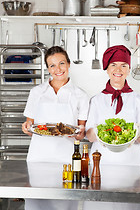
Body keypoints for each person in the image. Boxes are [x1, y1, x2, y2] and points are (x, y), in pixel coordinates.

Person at [84, 45, 140, 210]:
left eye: (124, 65)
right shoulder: (96, 100)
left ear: (129, 70)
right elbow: (89, 136)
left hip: (131, 166)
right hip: (101, 166)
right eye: (113, 65)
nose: (118, 69)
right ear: (107, 69)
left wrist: (134, 132)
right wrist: (101, 130)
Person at [22, 46, 89, 210]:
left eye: (61, 63)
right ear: (47, 69)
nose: (57, 69)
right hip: (38, 159)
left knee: (65, 205)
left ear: (69, 64)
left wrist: (77, 133)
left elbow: (81, 133)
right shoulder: (36, 92)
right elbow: (30, 126)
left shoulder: (81, 95)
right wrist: (26, 127)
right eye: (52, 65)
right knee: (37, 204)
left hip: (67, 160)